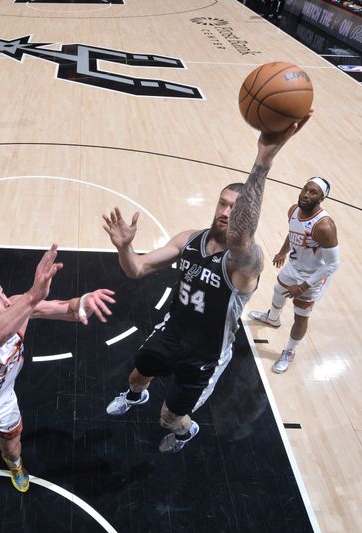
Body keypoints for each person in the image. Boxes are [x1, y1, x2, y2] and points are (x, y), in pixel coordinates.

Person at [102, 113, 312, 453]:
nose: (226, 212)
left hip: (206, 355)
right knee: (137, 376)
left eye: (236, 207)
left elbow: (242, 237)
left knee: (170, 418)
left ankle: (185, 431)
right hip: (172, 333)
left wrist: (263, 161)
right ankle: (134, 397)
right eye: (223, 204)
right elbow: (136, 270)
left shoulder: (244, 262)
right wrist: (125, 247)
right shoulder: (188, 239)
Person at [0, 246, 116, 492]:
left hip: (2, 399)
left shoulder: (17, 305)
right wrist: (33, 296)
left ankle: (14, 465)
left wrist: (84, 302)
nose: (6, 302)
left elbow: (66, 309)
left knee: (12, 446)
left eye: (2, 294)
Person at [248, 178, 340, 374]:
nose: (306, 194)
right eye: (305, 189)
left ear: (322, 198)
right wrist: (283, 252)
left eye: (313, 192)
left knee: (300, 316)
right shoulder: (293, 211)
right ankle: (272, 318)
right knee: (278, 290)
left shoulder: (325, 226)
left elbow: (333, 264)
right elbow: (293, 233)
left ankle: (289, 352)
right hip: (295, 265)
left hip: (314, 275)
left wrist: (304, 286)